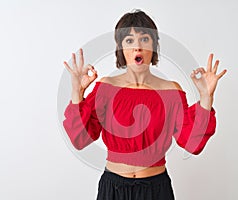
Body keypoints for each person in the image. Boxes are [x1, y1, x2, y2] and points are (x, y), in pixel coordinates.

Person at [62, 10, 226, 200]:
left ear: (154, 46)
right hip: (113, 188)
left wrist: (206, 97)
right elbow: (79, 139)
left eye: (145, 39)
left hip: (156, 189)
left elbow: (192, 143)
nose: (137, 47)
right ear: (121, 48)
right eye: (129, 41)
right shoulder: (106, 88)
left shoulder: (171, 91)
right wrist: (77, 92)